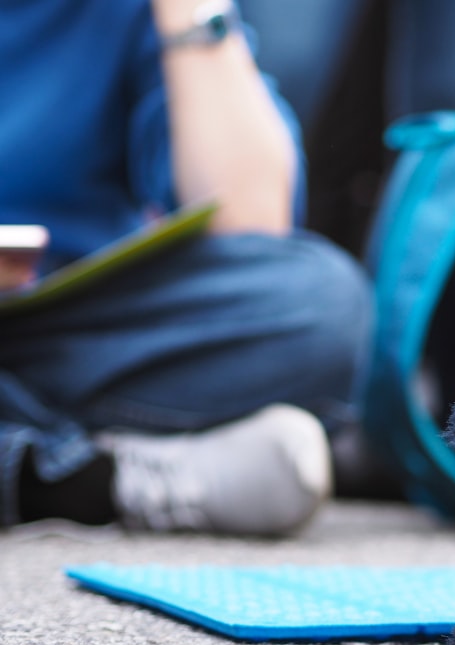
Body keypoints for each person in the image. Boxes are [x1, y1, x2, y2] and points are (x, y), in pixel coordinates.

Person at [0, 0, 373, 535]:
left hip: (64, 333)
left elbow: (252, 218)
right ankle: (87, 480)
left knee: (317, 302)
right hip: (59, 363)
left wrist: (190, 11)